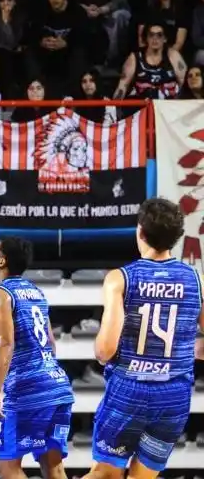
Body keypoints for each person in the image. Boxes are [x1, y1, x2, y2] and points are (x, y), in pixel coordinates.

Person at [85, 198, 203, 479]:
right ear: (177, 237)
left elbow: (105, 350)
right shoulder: (194, 279)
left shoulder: (121, 279)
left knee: (104, 474)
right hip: (173, 396)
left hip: (129, 391)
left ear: (140, 231)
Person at [0, 237, 74, 479]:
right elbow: (51, 344)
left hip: (25, 388)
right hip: (57, 386)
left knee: (6, 467)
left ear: (2, 261)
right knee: (53, 466)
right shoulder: (36, 291)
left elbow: (6, 343)